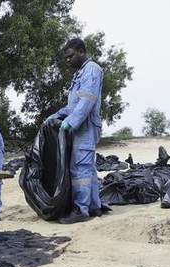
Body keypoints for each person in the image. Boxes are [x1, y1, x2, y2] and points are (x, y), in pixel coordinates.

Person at [45, 38, 104, 224]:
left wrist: (71, 121)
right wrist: (57, 115)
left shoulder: (91, 70)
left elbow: (87, 101)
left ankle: (80, 210)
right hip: (81, 127)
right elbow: (74, 105)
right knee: (88, 168)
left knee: (80, 168)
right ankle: (94, 207)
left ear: (81, 51)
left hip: (85, 128)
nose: (67, 60)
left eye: (70, 56)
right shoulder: (80, 73)